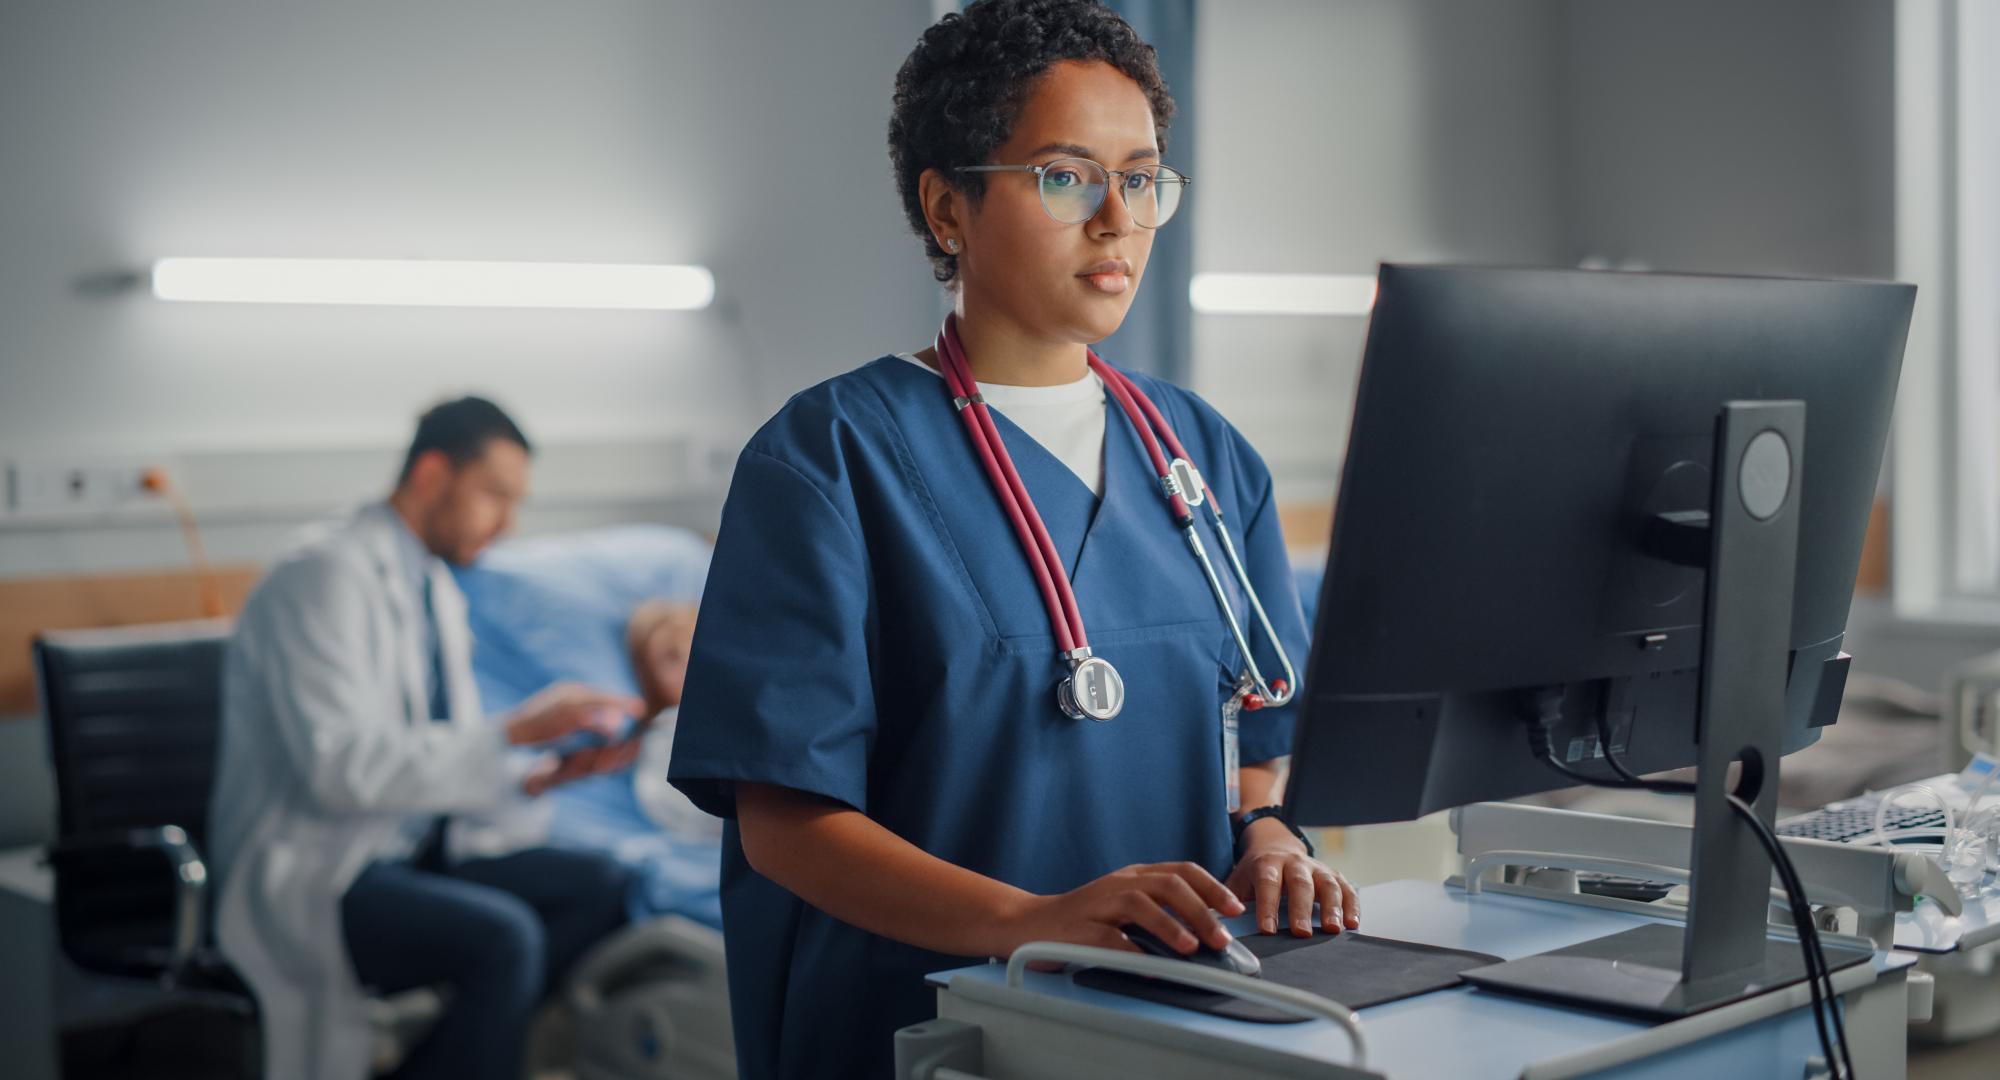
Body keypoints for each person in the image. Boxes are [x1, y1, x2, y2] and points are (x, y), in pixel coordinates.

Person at [666, 4, 1359, 1076]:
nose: (1116, 218)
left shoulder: (1206, 456)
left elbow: (1258, 751)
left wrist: (1268, 840)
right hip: (924, 1034)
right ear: (948, 206)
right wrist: (1030, 918)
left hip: (1171, 1022)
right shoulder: (828, 457)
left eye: (1142, 179)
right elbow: (783, 824)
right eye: (1066, 176)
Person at [209, 396, 643, 1080]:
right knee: (505, 939)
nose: (507, 523)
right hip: (322, 868)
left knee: (605, 884)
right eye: (495, 495)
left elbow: (446, 753)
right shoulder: (322, 577)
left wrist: (535, 776)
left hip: (413, 846)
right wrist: (516, 727)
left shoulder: (432, 586)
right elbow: (341, 769)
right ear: (433, 474)